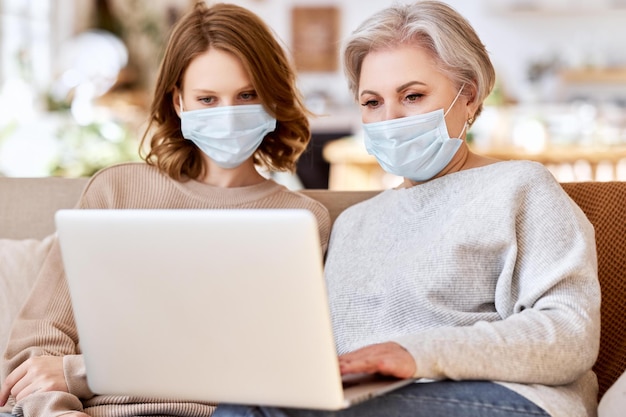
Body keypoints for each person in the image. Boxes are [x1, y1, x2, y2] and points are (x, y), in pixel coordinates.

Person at [211, 2, 600, 417]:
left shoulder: (521, 188)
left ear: (467, 95)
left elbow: (570, 334)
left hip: (505, 400)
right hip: (363, 402)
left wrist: (417, 354)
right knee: (246, 405)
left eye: (412, 96)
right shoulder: (354, 224)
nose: (390, 118)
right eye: (372, 102)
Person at [0, 2, 330, 417]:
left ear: (273, 99)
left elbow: (281, 366)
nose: (227, 115)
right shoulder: (117, 191)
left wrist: (84, 372)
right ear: (178, 103)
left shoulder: (303, 221)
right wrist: (58, 412)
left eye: (247, 95)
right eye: (207, 99)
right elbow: (38, 342)